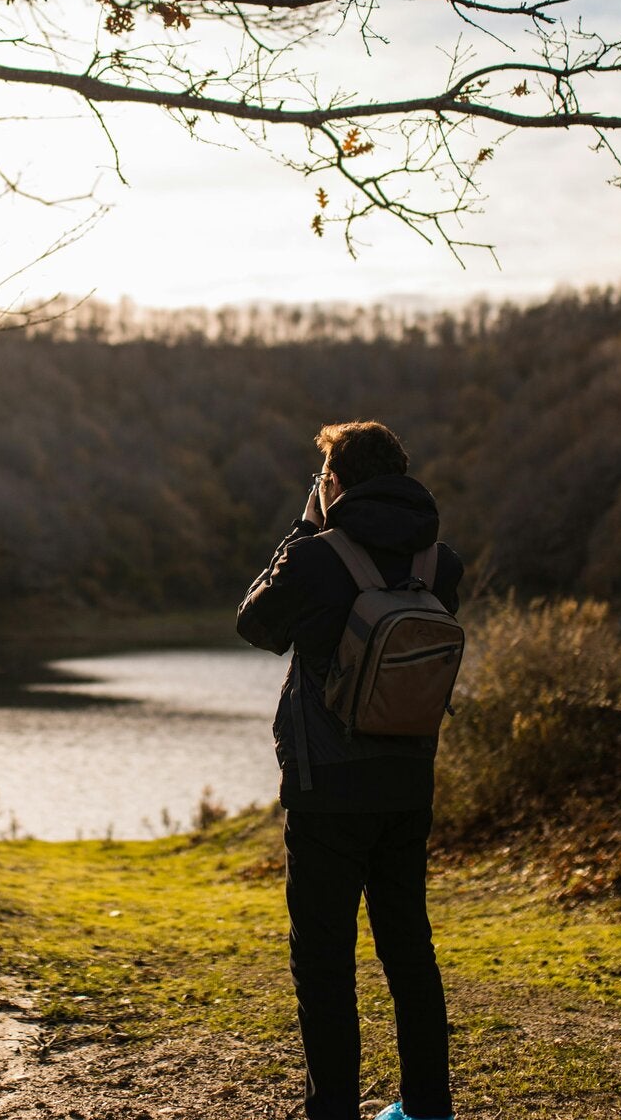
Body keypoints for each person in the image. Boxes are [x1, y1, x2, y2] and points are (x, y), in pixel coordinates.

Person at [236, 420, 462, 1120]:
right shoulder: (441, 563)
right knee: (410, 950)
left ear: (333, 483)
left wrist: (305, 528)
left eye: (325, 479)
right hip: (408, 785)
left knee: (325, 963)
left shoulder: (316, 557)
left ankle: (332, 1112)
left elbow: (255, 624)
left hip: (327, 789)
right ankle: (427, 1108)